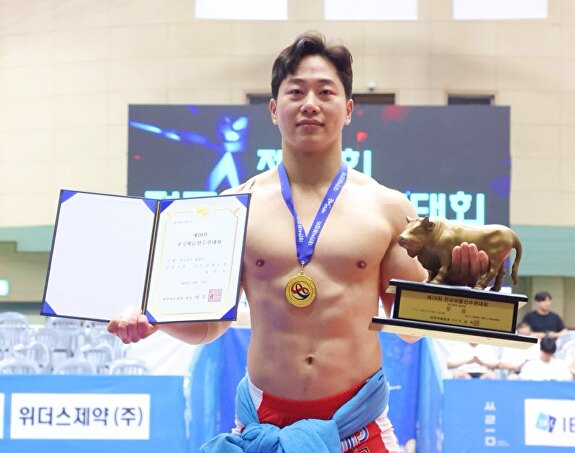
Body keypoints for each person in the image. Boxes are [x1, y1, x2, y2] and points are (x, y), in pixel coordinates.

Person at [107, 31, 487, 452]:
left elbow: (410, 328)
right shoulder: (234, 207)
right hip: (262, 424)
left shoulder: (388, 208)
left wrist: (453, 289)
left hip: (357, 426)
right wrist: (155, 319)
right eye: (296, 91)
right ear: (274, 109)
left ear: (348, 109)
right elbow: (210, 325)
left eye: (325, 92)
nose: (310, 103)